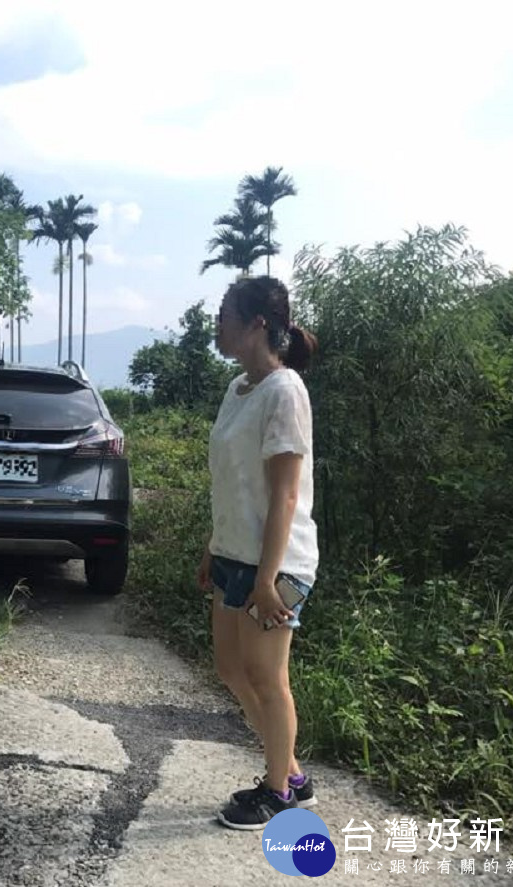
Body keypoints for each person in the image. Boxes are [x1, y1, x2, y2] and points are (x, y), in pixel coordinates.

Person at [196, 275, 319, 830]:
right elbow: (233, 481)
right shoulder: (236, 389)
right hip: (234, 554)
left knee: (268, 678)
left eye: (224, 313)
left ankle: (279, 794)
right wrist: (212, 547)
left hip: (276, 563)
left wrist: (268, 579)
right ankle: (290, 771)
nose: (216, 323)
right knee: (230, 668)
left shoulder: (284, 390)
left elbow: (285, 493)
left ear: (256, 325)